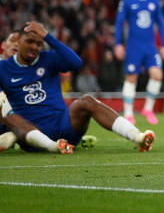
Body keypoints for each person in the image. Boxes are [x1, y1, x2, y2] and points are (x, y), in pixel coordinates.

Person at [0, 22, 155, 154]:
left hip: (63, 126)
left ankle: (137, 137)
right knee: (7, 113)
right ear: (19, 42)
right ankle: (54, 147)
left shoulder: (48, 58)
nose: (34, 47)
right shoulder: (3, 68)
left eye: (39, 44)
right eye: (30, 42)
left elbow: (76, 63)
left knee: (87, 101)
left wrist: (48, 37)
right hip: (32, 134)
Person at [114, 0, 164, 125]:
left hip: (150, 46)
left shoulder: (154, 1)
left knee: (157, 75)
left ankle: (148, 109)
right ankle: (128, 113)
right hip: (133, 46)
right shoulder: (127, 1)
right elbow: (119, 24)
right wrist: (118, 44)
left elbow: (161, 25)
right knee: (131, 77)